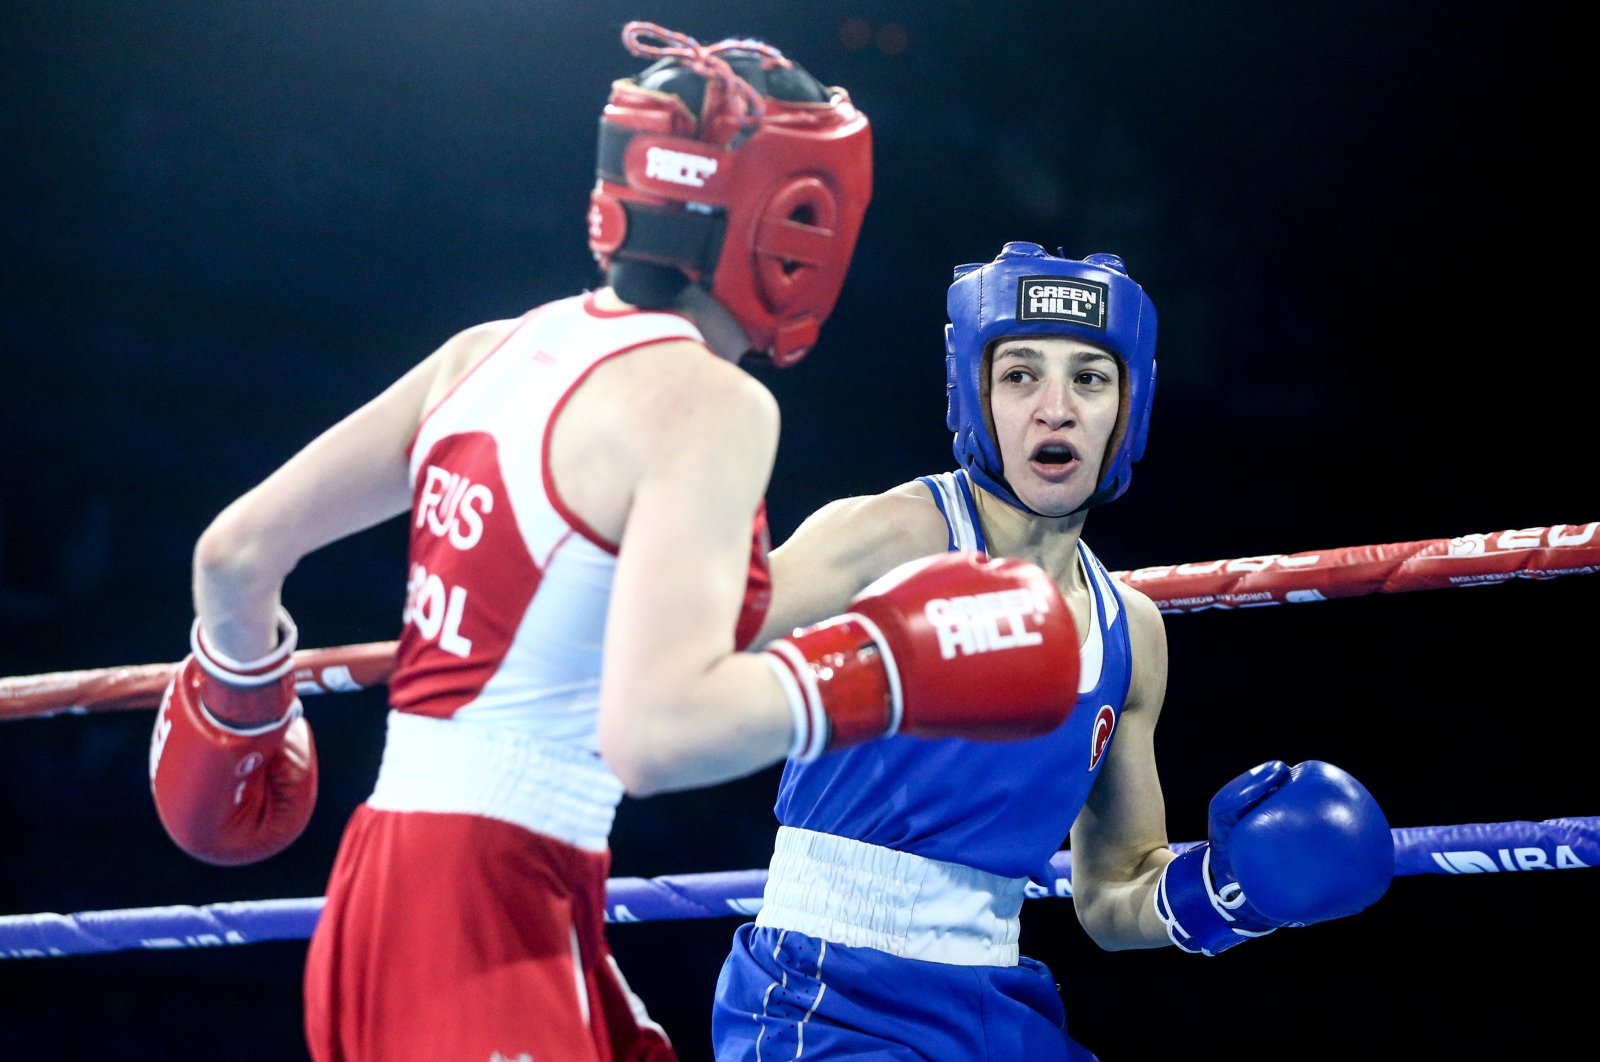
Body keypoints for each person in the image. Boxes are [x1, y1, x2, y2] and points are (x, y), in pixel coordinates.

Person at [143, 27, 1086, 1062]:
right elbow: (656, 735)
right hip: (482, 910)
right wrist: (891, 663)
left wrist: (243, 698)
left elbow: (233, 556)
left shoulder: (485, 353)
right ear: (792, 217)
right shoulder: (706, 402)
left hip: (401, 889)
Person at [711, 241, 1397, 1060]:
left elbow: (1113, 895)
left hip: (995, 1001)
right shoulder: (891, 537)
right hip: (825, 988)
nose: (1055, 408)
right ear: (977, 396)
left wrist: (1233, 893)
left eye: (1090, 378)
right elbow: (682, 653)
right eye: (1020, 375)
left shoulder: (1132, 631)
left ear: (1127, 408)